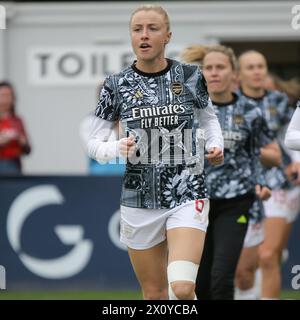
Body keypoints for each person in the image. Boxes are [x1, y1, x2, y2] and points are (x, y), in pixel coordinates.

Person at [87, 5, 224, 300]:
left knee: (183, 287)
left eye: (153, 28)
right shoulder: (115, 84)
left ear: (167, 36)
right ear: (131, 37)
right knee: (154, 294)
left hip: (187, 190)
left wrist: (217, 145)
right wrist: (114, 147)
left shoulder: (190, 76)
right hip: (139, 199)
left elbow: (209, 119)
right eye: (137, 29)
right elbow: (94, 143)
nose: (144, 35)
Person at [182, 44, 278, 300]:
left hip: (236, 201)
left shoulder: (250, 111)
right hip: (195, 203)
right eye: (208, 68)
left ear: (233, 74)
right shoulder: (188, 110)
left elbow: (265, 153)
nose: (214, 73)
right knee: (197, 285)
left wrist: (262, 181)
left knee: (222, 278)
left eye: (220, 67)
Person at [236, 50, 300, 300]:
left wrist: (297, 162)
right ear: (239, 74)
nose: (257, 72)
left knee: (267, 256)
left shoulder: (280, 102)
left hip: (281, 186)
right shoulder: (229, 104)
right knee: (242, 272)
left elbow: (293, 136)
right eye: (250, 67)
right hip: (243, 189)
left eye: (260, 66)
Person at [0, 81, 31, 174]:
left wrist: (22, 142)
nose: (6, 99)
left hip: (14, 164)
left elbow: (28, 150)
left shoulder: (17, 121)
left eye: (9, 95)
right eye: (3, 95)